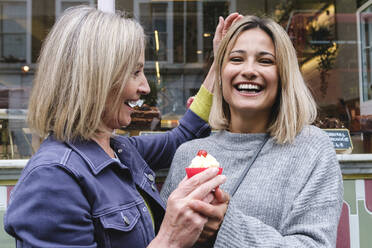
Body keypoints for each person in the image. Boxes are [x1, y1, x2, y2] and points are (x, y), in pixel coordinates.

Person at [3, 6, 240, 248]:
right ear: (96, 78)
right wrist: (170, 239)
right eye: (135, 72)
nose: (145, 87)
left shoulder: (120, 150)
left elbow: (181, 137)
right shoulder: (52, 178)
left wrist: (218, 61)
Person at [161, 15, 343, 247]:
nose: (249, 70)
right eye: (236, 59)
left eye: (265, 61)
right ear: (221, 73)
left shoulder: (313, 150)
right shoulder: (189, 154)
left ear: (283, 75)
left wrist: (225, 226)